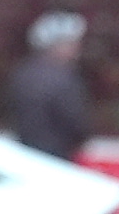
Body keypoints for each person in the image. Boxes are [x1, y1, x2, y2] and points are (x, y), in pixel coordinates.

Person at [8, 11, 93, 161]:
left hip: (26, 155)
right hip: (57, 157)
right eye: (71, 43)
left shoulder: (23, 74)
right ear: (56, 46)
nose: (76, 48)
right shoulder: (63, 78)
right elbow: (75, 122)